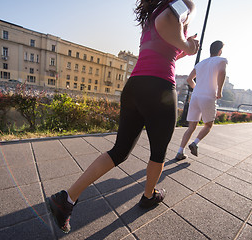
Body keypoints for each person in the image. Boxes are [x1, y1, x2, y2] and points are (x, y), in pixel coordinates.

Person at [47, 0, 199, 233]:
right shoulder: (175, 8)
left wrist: (182, 49)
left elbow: (163, 49)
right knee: (158, 152)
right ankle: (148, 196)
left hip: (135, 87)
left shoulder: (152, 16)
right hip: (159, 88)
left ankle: (67, 199)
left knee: (119, 150)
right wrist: (189, 45)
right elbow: (179, 18)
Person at [175, 40, 228, 160]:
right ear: (220, 51)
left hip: (195, 96)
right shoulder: (221, 60)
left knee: (191, 126)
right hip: (208, 96)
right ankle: (195, 143)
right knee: (208, 125)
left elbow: (189, 79)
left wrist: (197, 88)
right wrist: (219, 91)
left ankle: (180, 152)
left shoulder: (200, 64)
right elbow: (222, 73)